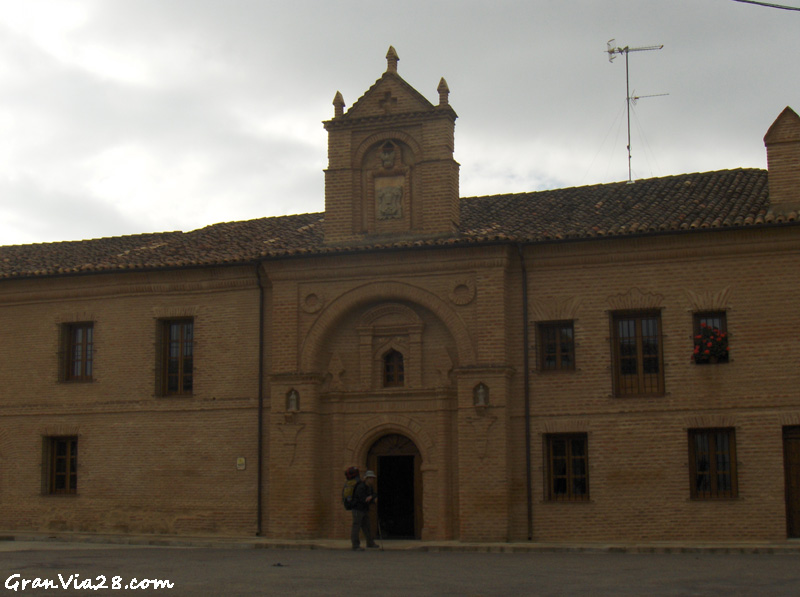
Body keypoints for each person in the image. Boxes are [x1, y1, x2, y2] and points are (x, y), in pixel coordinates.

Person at [351, 469, 378, 551]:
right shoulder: (360, 487)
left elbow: (374, 494)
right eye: (370, 478)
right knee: (356, 527)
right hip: (357, 509)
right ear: (366, 478)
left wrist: (371, 497)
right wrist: (370, 498)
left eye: (373, 478)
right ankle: (355, 545)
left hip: (364, 509)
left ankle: (370, 543)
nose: (372, 480)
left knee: (367, 526)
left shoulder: (369, 487)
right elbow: (363, 499)